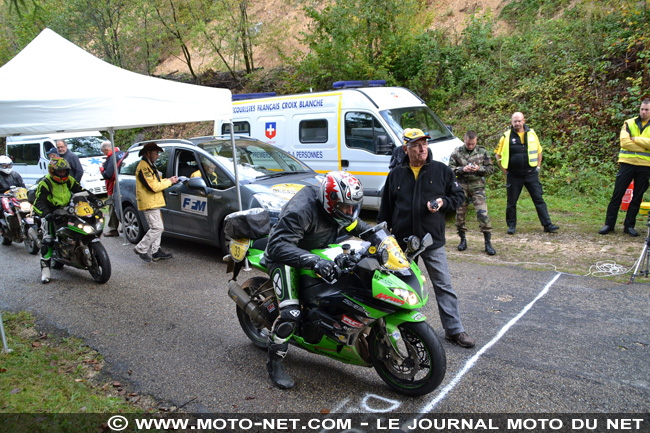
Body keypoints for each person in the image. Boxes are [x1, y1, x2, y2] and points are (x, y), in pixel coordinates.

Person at [264, 171, 371, 389]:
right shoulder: (302, 211)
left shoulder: (342, 209)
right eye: (345, 207)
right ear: (330, 203)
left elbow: (357, 226)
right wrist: (314, 261)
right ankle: (274, 363)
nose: (350, 211)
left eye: (354, 206)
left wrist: (384, 237)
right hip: (286, 255)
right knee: (290, 315)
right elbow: (277, 246)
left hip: (317, 252)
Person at [378, 128, 476, 349]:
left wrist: (442, 202)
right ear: (406, 149)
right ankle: (400, 327)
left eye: (424, 143)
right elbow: (385, 209)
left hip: (431, 240)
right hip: (402, 243)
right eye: (416, 145)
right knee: (399, 285)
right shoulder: (395, 175)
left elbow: (458, 195)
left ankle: (454, 330)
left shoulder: (440, 171)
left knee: (443, 284)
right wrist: (384, 236)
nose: (422, 148)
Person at [33, 156, 98, 283]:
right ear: (53, 171)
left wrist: (94, 199)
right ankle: (45, 270)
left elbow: (81, 191)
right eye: (60, 171)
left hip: (68, 210)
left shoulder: (69, 180)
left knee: (84, 226)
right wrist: (46, 214)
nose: (63, 173)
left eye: (64, 171)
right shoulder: (45, 183)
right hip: (52, 214)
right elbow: (38, 202)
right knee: (48, 240)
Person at [495, 112, 559, 235]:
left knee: (539, 199)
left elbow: (539, 151)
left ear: (524, 121)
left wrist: (538, 167)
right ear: (511, 122)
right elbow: (497, 154)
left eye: (519, 121)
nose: (517, 123)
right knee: (511, 202)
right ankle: (511, 226)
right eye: (515, 121)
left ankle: (547, 224)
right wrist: (504, 171)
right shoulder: (506, 136)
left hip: (531, 174)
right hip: (514, 175)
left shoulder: (532, 134)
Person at [599, 99, 650, 237]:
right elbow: (624, 142)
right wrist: (645, 144)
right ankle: (609, 224)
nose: (643, 112)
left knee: (637, 196)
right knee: (617, 194)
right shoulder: (629, 123)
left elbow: (632, 142)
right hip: (627, 163)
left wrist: (635, 139)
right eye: (642, 109)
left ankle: (629, 225)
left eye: (647, 110)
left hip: (645, 166)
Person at [449, 131, 496, 255]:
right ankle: (462, 240)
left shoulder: (482, 152)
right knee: (460, 214)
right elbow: (449, 170)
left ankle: (488, 243)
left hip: (477, 186)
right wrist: (462, 169)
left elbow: (491, 169)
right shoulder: (456, 152)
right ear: (464, 140)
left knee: (483, 214)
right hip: (461, 186)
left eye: (473, 144)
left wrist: (478, 169)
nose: (471, 146)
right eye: (469, 144)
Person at [133, 142, 179, 262]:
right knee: (157, 228)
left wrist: (169, 180)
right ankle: (141, 248)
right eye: (156, 153)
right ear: (148, 153)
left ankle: (155, 251)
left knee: (159, 227)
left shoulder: (149, 165)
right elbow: (153, 186)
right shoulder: (143, 167)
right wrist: (170, 182)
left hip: (154, 202)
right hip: (149, 203)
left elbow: (155, 181)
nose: (158, 156)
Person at [100, 141, 125, 237]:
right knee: (122, 205)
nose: (104, 154)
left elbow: (108, 175)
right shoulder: (121, 153)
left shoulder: (111, 158)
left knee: (112, 207)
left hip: (113, 186)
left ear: (107, 149)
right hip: (122, 185)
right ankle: (124, 226)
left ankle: (112, 229)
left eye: (104, 152)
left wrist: (102, 169)